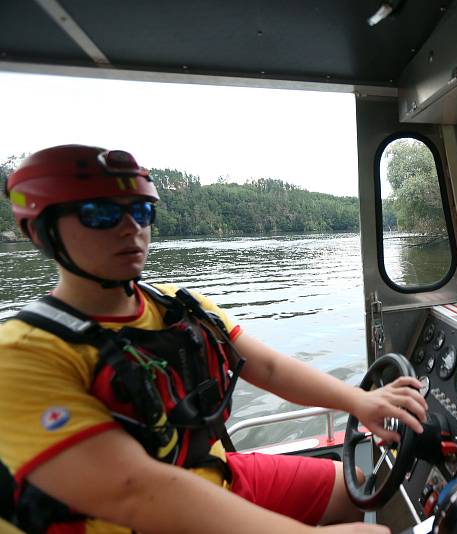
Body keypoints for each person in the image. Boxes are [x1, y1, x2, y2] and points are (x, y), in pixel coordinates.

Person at [0, 145, 428, 533]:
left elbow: (268, 366)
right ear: (40, 231)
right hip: (136, 521)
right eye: (101, 213)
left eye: (142, 211)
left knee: (351, 486)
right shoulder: (22, 355)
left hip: (214, 473)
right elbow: (133, 490)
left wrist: (360, 401)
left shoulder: (176, 306)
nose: (131, 228)